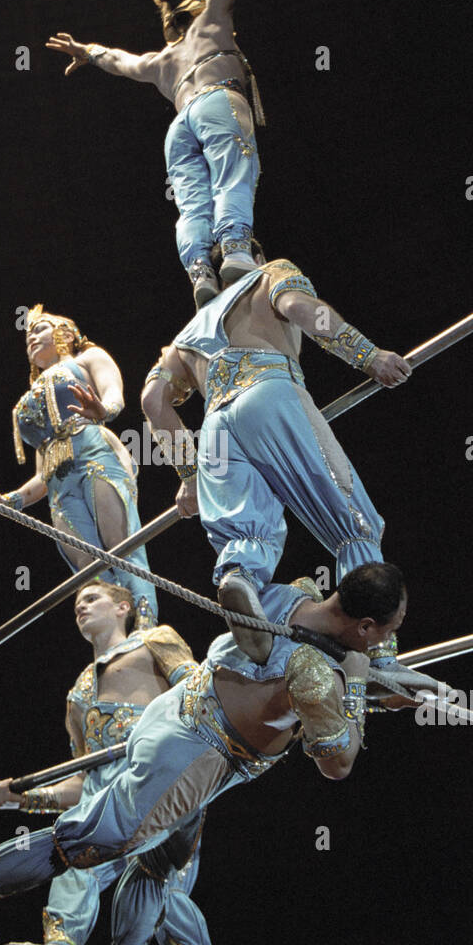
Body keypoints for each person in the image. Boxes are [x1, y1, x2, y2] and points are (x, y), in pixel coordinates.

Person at [0, 565, 415, 945]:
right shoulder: (321, 673)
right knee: (89, 842)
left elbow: (288, 692)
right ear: (365, 625)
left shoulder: (292, 594)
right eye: (386, 633)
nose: (384, 644)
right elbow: (339, 762)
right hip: (192, 754)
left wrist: (377, 691)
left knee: (161, 858)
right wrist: (357, 680)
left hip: (186, 732)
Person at [0, 580, 245, 945]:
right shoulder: (80, 692)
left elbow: (199, 697)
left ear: (124, 605)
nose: (81, 607)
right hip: (106, 801)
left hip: (161, 783)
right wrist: (25, 798)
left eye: (92, 598)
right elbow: (82, 781)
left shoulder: (155, 640)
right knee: (83, 854)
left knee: (163, 890)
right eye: (76, 604)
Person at [141, 246, 412, 663]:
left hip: (216, 427)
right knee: (354, 524)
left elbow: (152, 401)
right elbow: (306, 311)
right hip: (268, 393)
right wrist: (368, 356)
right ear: (254, 254)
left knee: (248, 539)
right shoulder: (268, 275)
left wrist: (191, 476)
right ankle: (374, 651)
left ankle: (240, 579)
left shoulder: (184, 337)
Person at [45, 0, 278, 307]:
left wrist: (86, 51)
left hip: (179, 125)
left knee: (193, 202)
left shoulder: (162, 60)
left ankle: (199, 272)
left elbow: (118, 60)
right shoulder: (214, 13)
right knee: (234, 173)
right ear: (197, 0)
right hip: (217, 101)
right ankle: (234, 248)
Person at [0, 305, 157, 627]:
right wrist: (8, 503)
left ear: (65, 332)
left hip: (95, 452)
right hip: (57, 480)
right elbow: (40, 474)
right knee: (90, 570)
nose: (31, 338)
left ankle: (146, 627)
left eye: (39, 329)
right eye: (27, 337)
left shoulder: (86, 359)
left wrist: (102, 410)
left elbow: (114, 397)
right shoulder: (31, 394)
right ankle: (113, 637)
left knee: (121, 548)